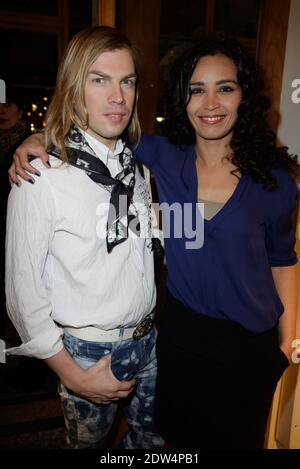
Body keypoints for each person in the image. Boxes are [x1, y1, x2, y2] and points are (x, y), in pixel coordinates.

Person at [9, 36, 299, 449]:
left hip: (235, 346)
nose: (211, 103)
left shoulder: (272, 179)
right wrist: (37, 137)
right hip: (176, 338)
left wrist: (287, 346)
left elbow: (283, 258)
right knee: (170, 440)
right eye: (197, 89)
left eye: (226, 88)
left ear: (244, 96)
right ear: (182, 98)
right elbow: (89, 132)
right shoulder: (159, 157)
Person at [5, 26, 164, 449]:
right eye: (100, 80)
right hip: (88, 352)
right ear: (75, 88)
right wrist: (74, 376)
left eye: (126, 81)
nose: (118, 96)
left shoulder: (137, 169)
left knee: (151, 446)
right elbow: (23, 296)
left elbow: (146, 246)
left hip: (148, 340)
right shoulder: (40, 176)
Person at [0, 93, 28, 338]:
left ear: (20, 112)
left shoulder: (29, 143)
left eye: (8, 104)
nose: (1, 110)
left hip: (16, 225)